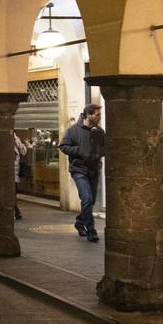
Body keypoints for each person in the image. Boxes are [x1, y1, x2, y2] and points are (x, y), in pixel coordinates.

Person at [59, 104, 105, 243]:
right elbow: (63, 146)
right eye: (97, 114)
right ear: (88, 115)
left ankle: (79, 221)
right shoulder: (73, 131)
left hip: (94, 170)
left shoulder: (100, 131)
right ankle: (91, 231)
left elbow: (104, 147)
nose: (99, 117)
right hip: (79, 170)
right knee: (86, 198)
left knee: (89, 201)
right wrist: (80, 150)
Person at [11, 129, 30, 221]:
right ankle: (16, 211)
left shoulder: (15, 139)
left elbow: (23, 151)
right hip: (11, 171)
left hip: (14, 171)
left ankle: (16, 211)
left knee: (13, 192)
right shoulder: (14, 138)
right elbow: (23, 151)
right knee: (12, 192)